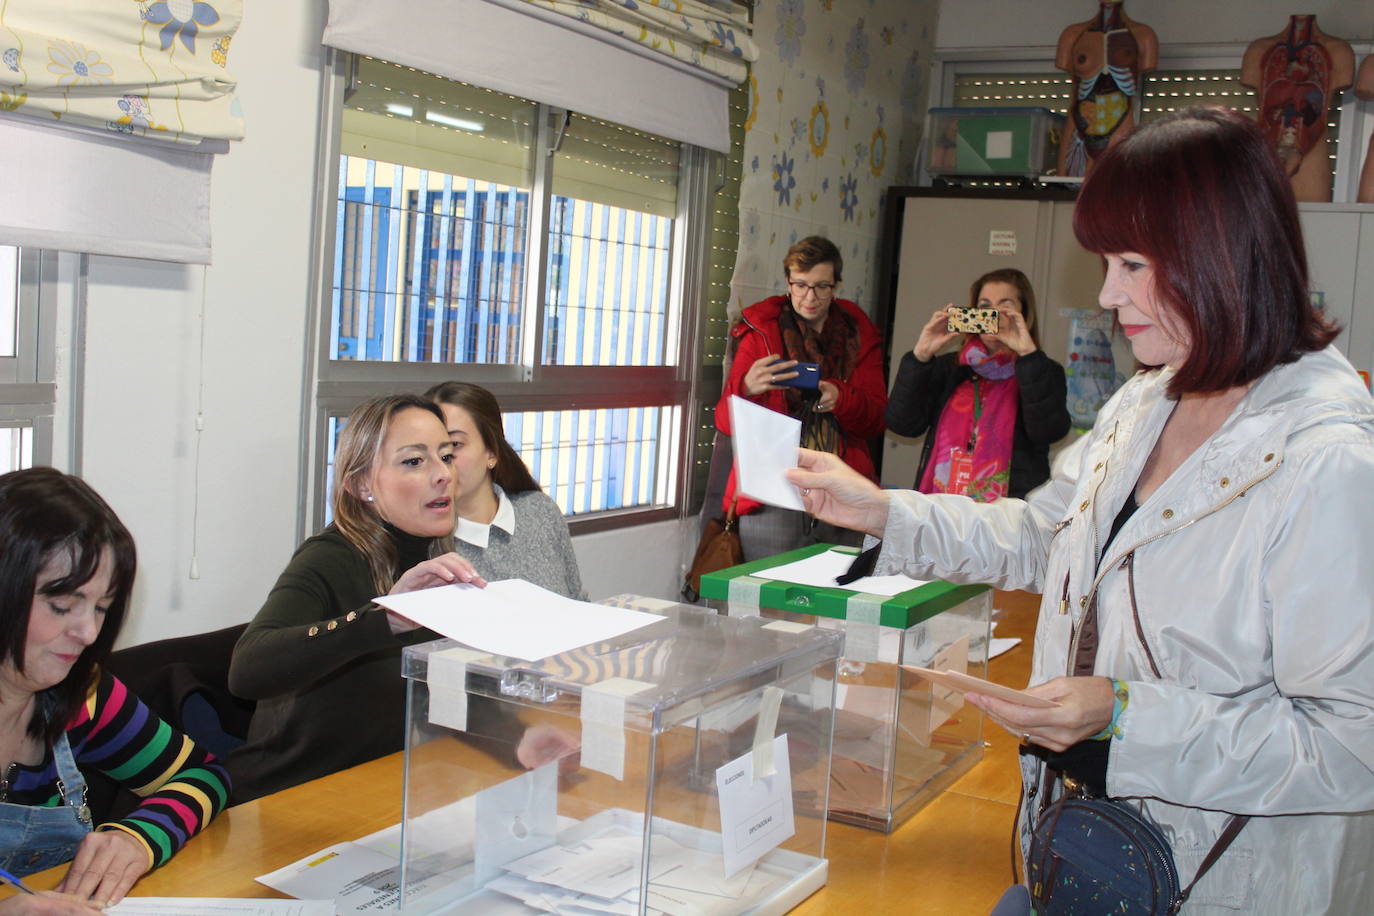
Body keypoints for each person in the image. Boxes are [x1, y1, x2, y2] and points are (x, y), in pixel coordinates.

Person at [787, 107, 1374, 912]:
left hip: (1226, 881)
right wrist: (889, 511)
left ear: (1219, 256)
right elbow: (1044, 533)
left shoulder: (1328, 462)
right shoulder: (1146, 402)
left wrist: (1127, 720)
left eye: (1132, 263)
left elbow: (1352, 741)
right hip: (1087, 852)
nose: (1107, 294)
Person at [229, 395, 572, 803]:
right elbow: (247, 669)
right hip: (288, 798)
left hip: (379, 789)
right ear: (360, 484)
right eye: (414, 461)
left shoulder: (435, 556)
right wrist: (385, 618)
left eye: (446, 456)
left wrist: (518, 738)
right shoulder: (330, 555)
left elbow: (434, 686)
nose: (443, 474)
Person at [0, 469, 229, 906]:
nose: (87, 632)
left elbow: (203, 774)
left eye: (101, 608)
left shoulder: (81, 696)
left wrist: (137, 839)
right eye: (62, 605)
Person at [714, 235, 887, 560]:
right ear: (788, 282)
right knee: (768, 596)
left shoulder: (858, 334)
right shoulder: (761, 334)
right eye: (801, 285)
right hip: (773, 489)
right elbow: (724, 422)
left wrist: (842, 398)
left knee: (836, 600)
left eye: (821, 286)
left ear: (835, 285)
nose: (810, 297)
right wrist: (746, 389)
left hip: (842, 486)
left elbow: (877, 418)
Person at [886, 268, 1070, 501]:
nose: (993, 314)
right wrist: (920, 356)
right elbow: (902, 424)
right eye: (984, 307)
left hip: (1008, 516)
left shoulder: (1042, 370)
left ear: (1023, 314)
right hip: (942, 509)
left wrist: (1028, 355)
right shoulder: (950, 367)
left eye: (1005, 306)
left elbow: (1049, 431)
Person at [424, 382, 584, 600]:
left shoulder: (539, 510)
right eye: (427, 450)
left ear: (491, 452)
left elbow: (578, 601)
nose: (440, 463)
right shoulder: (423, 542)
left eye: (453, 445)